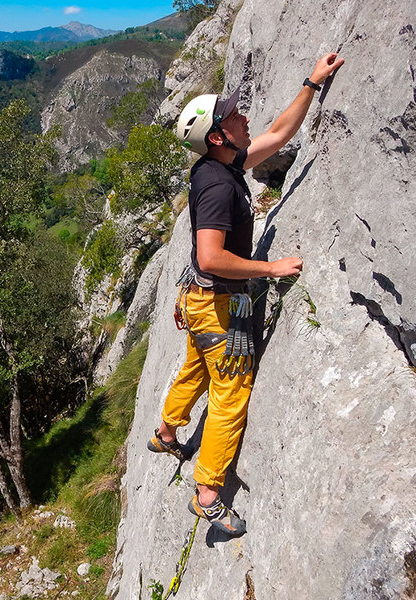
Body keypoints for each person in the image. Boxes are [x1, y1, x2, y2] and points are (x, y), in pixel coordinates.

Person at [147, 53, 344, 537]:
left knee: (195, 366)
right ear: (217, 136)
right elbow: (211, 256)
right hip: (215, 303)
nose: (244, 116)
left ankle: (167, 433)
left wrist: (310, 83)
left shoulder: (225, 163)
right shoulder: (216, 185)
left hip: (198, 300)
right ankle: (209, 494)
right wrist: (269, 267)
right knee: (230, 392)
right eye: (234, 116)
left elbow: (278, 134)